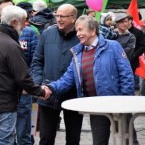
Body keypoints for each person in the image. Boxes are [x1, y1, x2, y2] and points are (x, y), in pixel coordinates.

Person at [0, 5, 51, 145]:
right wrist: (41, 91)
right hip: (2, 104)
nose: (26, 24)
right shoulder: (11, 45)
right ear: (14, 22)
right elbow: (23, 77)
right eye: (24, 21)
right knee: (3, 141)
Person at [47, 15, 134, 145]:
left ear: (93, 31)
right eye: (77, 30)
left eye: (81, 30)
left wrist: (124, 101)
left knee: (128, 141)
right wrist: (51, 88)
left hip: (118, 104)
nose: (78, 34)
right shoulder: (78, 54)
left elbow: (126, 75)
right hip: (96, 107)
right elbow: (67, 79)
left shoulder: (113, 46)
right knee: (99, 142)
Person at [31, 4, 83, 145]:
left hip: (73, 95)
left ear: (73, 18)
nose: (58, 19)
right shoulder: (47, 34)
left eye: (62, 16)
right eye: (57, 15)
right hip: (48, 93)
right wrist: (39, 83)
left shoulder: (81, 37)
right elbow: (37, 61)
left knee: (73, 139)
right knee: (46, 138)